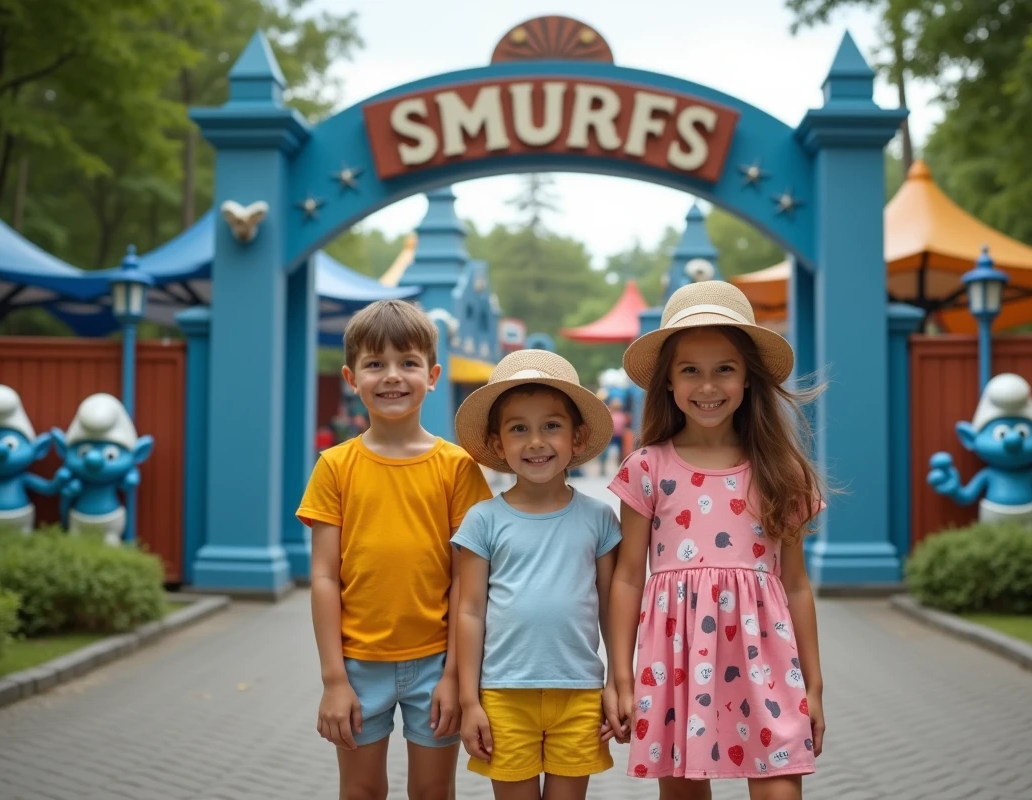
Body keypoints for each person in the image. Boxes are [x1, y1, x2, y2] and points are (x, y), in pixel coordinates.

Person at [606, 281, 828, 800]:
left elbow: (795, 585)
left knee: (780, 790)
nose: (708, 385)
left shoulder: (783, 473)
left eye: (724, 368)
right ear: (667, 383)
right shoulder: (647, 468)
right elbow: (626, 576)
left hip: (766, 660)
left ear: (748, 378)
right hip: (674, 661)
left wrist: (814, 685)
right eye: (691, 370)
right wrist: (621, 675)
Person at [296, 298, 493, 800]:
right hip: (358, 665)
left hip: (437, 661)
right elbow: (323, 576)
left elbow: (466, 579)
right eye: (375, 364)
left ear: (432, 375)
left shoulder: (457, 468)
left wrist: (455, 676)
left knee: (433, 791)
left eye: (408, 363)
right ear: (350, 376)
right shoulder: (335, 467)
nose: (392, 376)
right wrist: (333, 680)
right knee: (360, 789)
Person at [453, 350, 622, 800]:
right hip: (504, 694)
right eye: (518, 428)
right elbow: (469, 611)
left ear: (577, 435)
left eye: (551, 425)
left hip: (580, 692)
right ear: (496, 443)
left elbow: (612, 608)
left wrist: (615, 684)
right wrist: (469, 700)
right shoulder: (482, 520)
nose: (535, 442)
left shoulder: (600, 519)